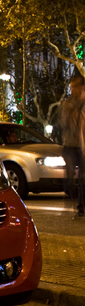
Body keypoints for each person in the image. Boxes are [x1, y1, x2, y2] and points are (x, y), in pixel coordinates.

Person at [58, 73, 85, 216]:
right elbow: (63, 123)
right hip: (69, 144)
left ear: (82, 87)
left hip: (82, 145)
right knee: (71, 178)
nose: (73, 90)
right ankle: (72, 198)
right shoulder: (67, 104)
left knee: (83, 177)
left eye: (75, 86)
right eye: (71, 87)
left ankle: (81, 206)